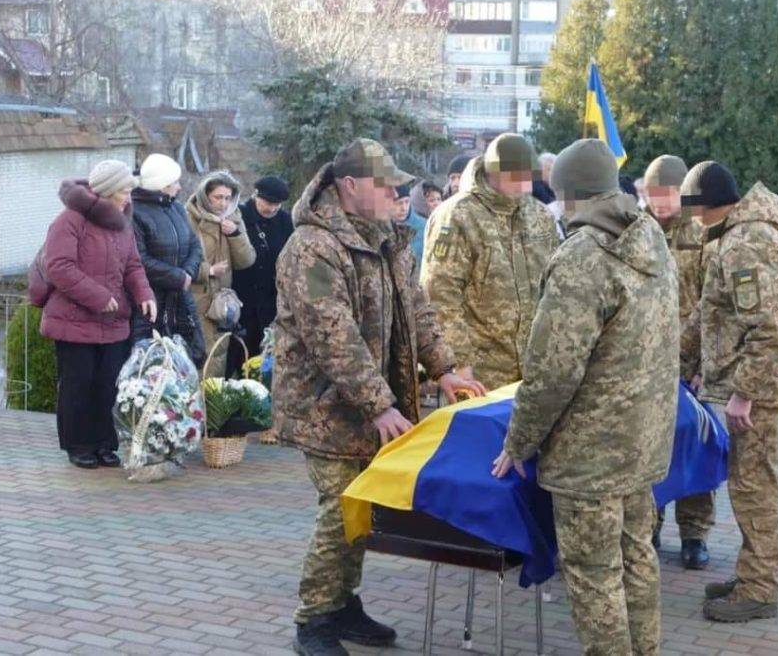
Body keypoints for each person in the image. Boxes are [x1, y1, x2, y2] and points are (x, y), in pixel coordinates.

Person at [273, 138, 485, 656]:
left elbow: (418, 309)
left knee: (361, 507)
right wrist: (380, 404)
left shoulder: (387, 238)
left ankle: (343, 604)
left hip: (370, 405)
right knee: (340, 506)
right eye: (385, 183)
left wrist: (445, 369)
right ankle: (314, 621)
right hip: (324, 405)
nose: (397, 191)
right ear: (349, 186)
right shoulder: (311, 247)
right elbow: (332, 336)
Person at [493, 139, 679, 655]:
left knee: (595, 574)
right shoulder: (650, 240)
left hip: (590, 453)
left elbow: (552, 369)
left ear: (568, 195)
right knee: (638, 557)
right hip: (642, 441)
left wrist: (519, 441)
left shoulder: (583, 255)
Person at [682, 161, 778, 622]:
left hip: (760, 387)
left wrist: (745, 393)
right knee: (752, 481)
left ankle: (760, 588)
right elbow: (709, 314)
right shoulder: (744, 233)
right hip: (761, 381)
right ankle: (757, 574)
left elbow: (766, 327)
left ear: (704, 205)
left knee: (753, 484)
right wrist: (677, 360)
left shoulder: (745, 243)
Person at [38, 161, 155, 469]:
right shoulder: (70, 220)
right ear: (107, 191)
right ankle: (78, 445)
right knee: (79, 385)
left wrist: (144, 294)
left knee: (109, 384)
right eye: (125, 191)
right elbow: (59, 267)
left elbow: (133, 265)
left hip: (113, 322)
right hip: (74, 321)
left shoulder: (122, 224)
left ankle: (105, 443)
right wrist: (99, 297)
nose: (129, 198)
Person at [421, 133, 559, 390]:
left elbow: (555, 285)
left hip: (533, 373)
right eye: (516, 177)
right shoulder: (457, 215)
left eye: (528, 176)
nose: (525, 185)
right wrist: (459, 363)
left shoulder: (539, 215)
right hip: (481, 375)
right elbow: (440, 294)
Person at [642, 154, 714, 570]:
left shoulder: (702, 232)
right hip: (650, 363)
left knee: (694, 450)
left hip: (693, 364)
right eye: (652, 195)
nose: (660, 203)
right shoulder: (640, 230)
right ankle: (649, 525)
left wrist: (705, 363)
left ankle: (695, 534)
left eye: (667, 194)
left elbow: (714, 303)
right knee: (651, 449)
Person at [130, 153, 206, 367]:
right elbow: (138, 258)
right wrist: (176, 277)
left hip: (181, 298)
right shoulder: (135, 213)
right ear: (162, 185)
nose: (180, 187)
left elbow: (194, 245)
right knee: (148, 365)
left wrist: (187, 274)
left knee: (186, 361)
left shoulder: (177, 208)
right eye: (175, 182)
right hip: (150, 301)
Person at [185, 171, 257, 378]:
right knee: (195, 358)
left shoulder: (234, 218)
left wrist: (235, 234)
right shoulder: (189, 217)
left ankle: (212, 406)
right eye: (218, 197)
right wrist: (208, 271)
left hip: (221, 303)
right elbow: (178, 262)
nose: (223, 203)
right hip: (194, 299)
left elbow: (247, 260)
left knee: (217, 356)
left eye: (227, 197)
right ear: (205, 195)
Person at [227, 175, 294, 379]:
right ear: (257, 196)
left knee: (265, 357)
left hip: (271, 300)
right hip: (242, 297)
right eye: (268, 203)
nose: (272, 209)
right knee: (239, 354)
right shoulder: (240, 215)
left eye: (277, 204)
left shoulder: (285, 221)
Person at [401, 181, 440, 265]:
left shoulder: (443, 224)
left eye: (439, 199)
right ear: (419, 203)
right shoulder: (420, 227)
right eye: (432, 200)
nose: (437, 203)